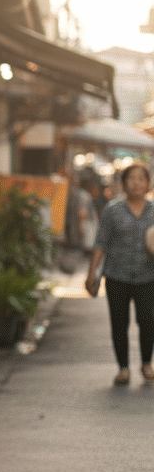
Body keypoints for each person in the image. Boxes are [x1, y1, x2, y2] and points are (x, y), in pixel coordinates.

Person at [84, 162, 154, 386]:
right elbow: (100, 242)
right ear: (123, 184)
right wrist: (91, 274)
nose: (136, 183)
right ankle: (123, 368)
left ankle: (146, 363)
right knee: (119, 322)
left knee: (148, 322)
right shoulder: (112, 210)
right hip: (116, 277)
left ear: (148, 183)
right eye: (131, 179)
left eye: (141, 179)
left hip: (148, 278)